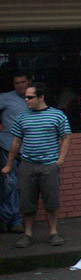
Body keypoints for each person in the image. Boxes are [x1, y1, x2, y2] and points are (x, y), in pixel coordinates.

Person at [1, 82, 72, 248]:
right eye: (25, 97)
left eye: (30, 97)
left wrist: (60, 160)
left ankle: (53, 232)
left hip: (49, 165)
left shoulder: (57, 115)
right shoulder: (22, 117)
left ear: (41, 97)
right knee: (26, 202)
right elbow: (16, 140)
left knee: (51, 202)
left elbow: (66, 137)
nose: (26, 100)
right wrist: (9, 164)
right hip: (27, 165)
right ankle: (27, 234)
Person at [0, 72, 30, 234]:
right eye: (17, 82)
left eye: (23, 82)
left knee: (22, 187)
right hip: (7, 145)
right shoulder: (5, 97)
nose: (20, 85)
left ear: (29, 82)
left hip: (28, 149)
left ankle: (12, 219)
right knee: (8, 184)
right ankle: (10, 220)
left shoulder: (35, 98)